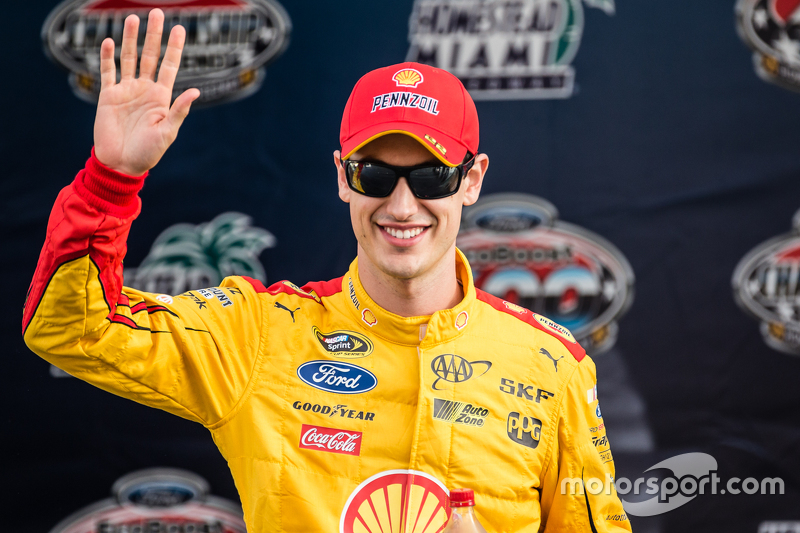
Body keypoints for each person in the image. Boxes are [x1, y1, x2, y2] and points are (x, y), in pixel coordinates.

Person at [23, 9, 631, 533]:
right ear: (343, 177)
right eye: (374, 175)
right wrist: (111, 179)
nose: (400, 205)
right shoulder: (259, 337)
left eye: (430, 177)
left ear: (471, 181)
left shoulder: (552, 366)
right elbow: (71, 329)